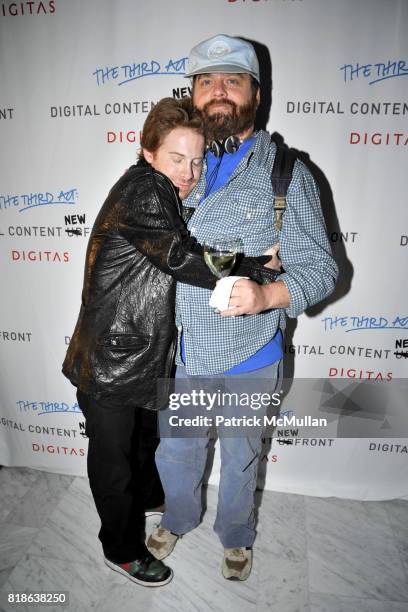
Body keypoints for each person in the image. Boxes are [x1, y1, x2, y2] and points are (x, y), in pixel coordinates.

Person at [62, 97, 275, 588]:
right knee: (113, 463)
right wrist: (257, 270)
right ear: (148, 153)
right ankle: (121, 549)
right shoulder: (144, 190)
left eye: (197, 159)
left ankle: (153, 499)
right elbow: (182, 258)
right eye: (177, 158)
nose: (189, 171)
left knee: (144, 446)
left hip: (139, 357)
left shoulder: (162, 192)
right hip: (111, 363)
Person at [147, 34, 338, 581]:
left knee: (241, 459)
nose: (218, 92)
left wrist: (266, 295)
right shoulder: (179, 162)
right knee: (177, 453)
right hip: (182, 351)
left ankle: (236, 535)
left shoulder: (286, 174)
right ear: (193, 92)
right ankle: (177, 519)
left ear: (256, 92)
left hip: (253, 355)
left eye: (232, 80)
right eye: (206, 81)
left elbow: (321, 270)